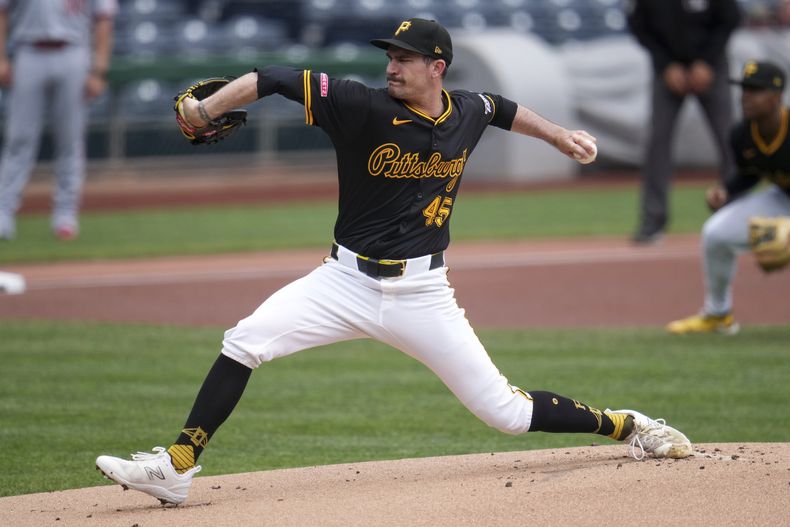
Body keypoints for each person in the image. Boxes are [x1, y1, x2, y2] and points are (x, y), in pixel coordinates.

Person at [95, 18, 692, 506]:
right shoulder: (360, 105)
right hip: (340, 281)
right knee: (244, 340)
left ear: (437, 67)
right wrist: (204, 112)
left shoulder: (465, 110)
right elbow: (272, 77)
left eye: (405, 57)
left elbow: (502, 107)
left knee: (504, 413)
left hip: (423, 295)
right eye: (390, 55)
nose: (391, 66)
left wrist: (560, 135)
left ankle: (625, 424)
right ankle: (176, 466)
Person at [667, 60, 790, 334]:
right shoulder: (741, 133)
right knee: (716, 233)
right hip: (782, 197)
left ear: (776, 96)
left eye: (755, 90)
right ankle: (718, 314)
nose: (745, 96)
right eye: (743, 89)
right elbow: (751, 173)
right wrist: (727, 191)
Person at [626, 0, 741, 243]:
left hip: (712, 68)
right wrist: (666, 65)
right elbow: (638, 25)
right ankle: (653, 221)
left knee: (730, 140)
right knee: (658, 141)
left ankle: (737, 217)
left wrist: (706, 62)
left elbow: (730, 17)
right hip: (667, 70)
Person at [0, 0, 116, 241]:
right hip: (29, 49)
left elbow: (104, 19)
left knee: (70, 139)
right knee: (19, 138)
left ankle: (65, 215)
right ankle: (3, 212)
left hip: (73, 50)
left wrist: (98, 70)